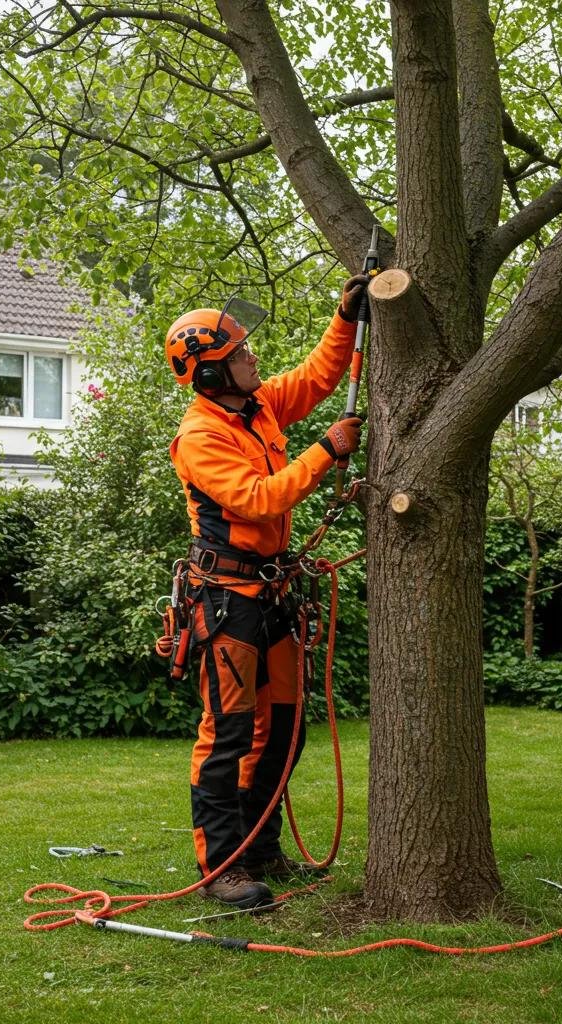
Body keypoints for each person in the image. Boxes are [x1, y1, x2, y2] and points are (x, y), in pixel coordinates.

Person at [165, 277, 367, 909]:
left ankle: (260, 846)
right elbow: (259, 498)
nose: (254, 358)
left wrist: (344, 318)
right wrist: (326, 453)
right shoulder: (201, 436)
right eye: (242, 353)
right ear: (210, 375)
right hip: (226, 599)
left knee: (281, 729)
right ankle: (221, 866)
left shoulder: (258, 407)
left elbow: (316, 377)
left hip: (271, 591)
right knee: (227, 733)